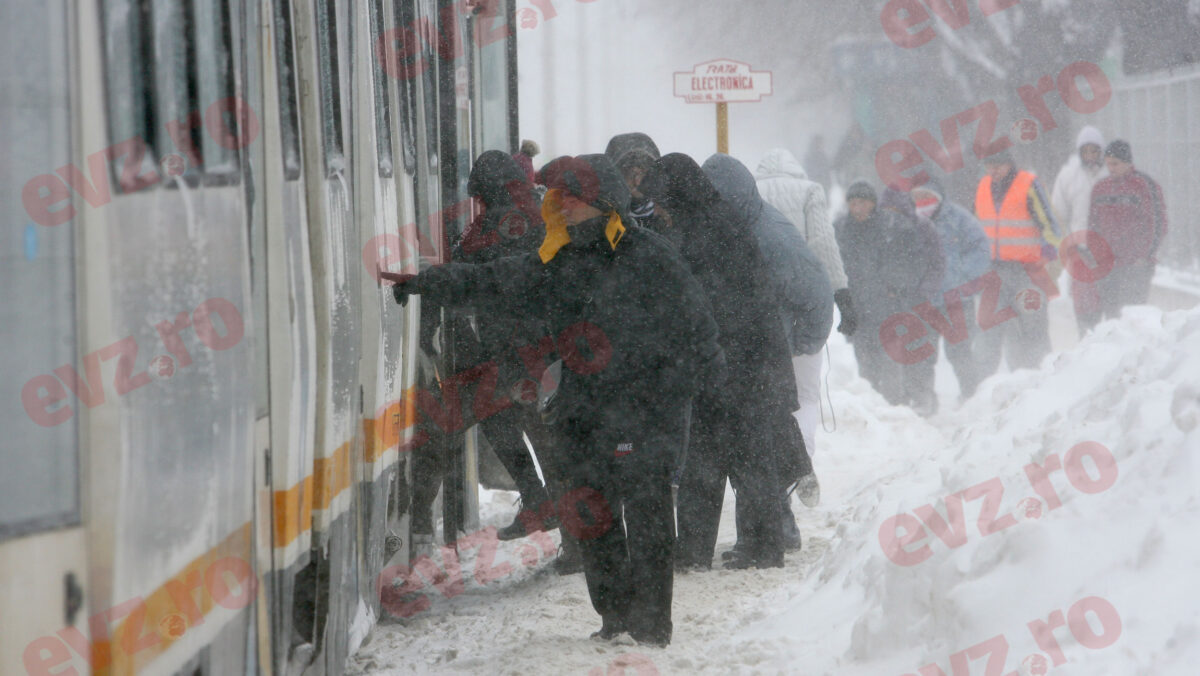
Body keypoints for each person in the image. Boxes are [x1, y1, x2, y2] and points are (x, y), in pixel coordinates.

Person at [390, 154, 725, 647]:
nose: (560, 205)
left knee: (650, 519)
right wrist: (427, 282)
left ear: (601, 202)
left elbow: (701, 338)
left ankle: (652, 626)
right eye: (557, 197)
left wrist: (669, 399)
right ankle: (614, 618)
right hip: (586, 413)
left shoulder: (652, 257)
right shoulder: (559, 259)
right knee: (592, 517)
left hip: (647, 415)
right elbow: (494, 281)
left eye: (570, 196)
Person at [644, 154, 802, 571]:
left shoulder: (710, 231)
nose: (657, 209)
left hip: (739, 365)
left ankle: (754, 547)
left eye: (661, 200)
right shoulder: (713, 222)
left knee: (736, 458)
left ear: (678, 194)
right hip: (737, 362)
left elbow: (720, 304)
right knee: (717, 457)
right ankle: (730, 547)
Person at [703, 153, 831, 555]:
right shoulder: (730, 228)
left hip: (771, 352)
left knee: (762, 444)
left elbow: (815, 292)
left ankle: (775, 529)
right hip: (747, 353)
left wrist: (801, 344)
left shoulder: (770, 236)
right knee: (761, 443)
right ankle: (776, 526)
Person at [755, 147, 856, 456]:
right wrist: (841, 294)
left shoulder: (751, 191)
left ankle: (771, 459)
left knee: (766, 391)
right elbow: (823, 243)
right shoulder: (809, 190)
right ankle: (803, 461)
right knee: (806, 393)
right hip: (804, 302)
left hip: (760, 304)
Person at [835, 181, 942, 408]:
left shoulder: (892, 228)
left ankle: (894, 406)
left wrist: (895, 286)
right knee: (864, 358)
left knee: (891, 358)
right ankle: (872, 407)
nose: (858, 208)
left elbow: (911, 262)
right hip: (857, 306)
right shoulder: (841, 229)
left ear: (873, 204)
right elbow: (835, 264)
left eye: (862, 202)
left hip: (888, 304)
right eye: (853, 203)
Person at [973, 151, 1062, 376]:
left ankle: (1041, 379)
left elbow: (1050, 224)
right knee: (989, 330)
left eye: (998, 165)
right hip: (992, 271)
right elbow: (974, 227)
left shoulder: (1028, 184)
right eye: (988, 166)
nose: (993, 171)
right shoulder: (982, 186)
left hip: (1027, 271)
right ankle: (982, 387)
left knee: (1033, 328)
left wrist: (1048, 252)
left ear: (1009, 164)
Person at [912, 177, 991, 399]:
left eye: (926, 196)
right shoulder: (910, 222)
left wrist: (960, 276)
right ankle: (924, 400)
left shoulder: (958, 218)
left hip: (957, 300)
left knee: (960, 351)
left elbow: (981, 248)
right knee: (922, 354)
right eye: (916, 197)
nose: (922, 201)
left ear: (938, 197)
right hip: (925, 301)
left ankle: (972, 396)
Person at [878, 188, 946, 415]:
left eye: (894, 209)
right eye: (886, 210)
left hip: (920, 302)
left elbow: (937, 263)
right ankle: (897, 399)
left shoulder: (924, 228)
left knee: (921, 351)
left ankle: (923, 396)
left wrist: (924, 293)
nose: (890, 214)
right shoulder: (881, 230)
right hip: (890, 301)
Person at [1085, 140, 1167, 321]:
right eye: (1108, 164)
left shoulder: (1144, 186)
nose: (1111, 168)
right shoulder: (1100, 189)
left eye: (1115, 164)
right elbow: (1093, 226)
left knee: (1133, 318)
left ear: (1127, 162)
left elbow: (1158, 224)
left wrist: (1144, 256)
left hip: (1135, 266)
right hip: (1108, 266)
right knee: (1112, 318)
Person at [1052, 126, 1109, 333]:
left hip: (1109, 252)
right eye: (1086, 151)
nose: (1091, 156)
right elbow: (1058, 214)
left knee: (1111, 304)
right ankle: (1087, 346)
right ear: (1079, 152)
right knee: (1085, 307)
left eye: (1095, 151)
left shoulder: (1110, 173)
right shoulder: (1068, 176)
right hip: (1081, 251)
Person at [604, 133, 674, 243]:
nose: (638, 182)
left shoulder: (670, 214)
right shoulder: (603, 217)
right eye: (630, 174)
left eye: (644, 173)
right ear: (616, 176)